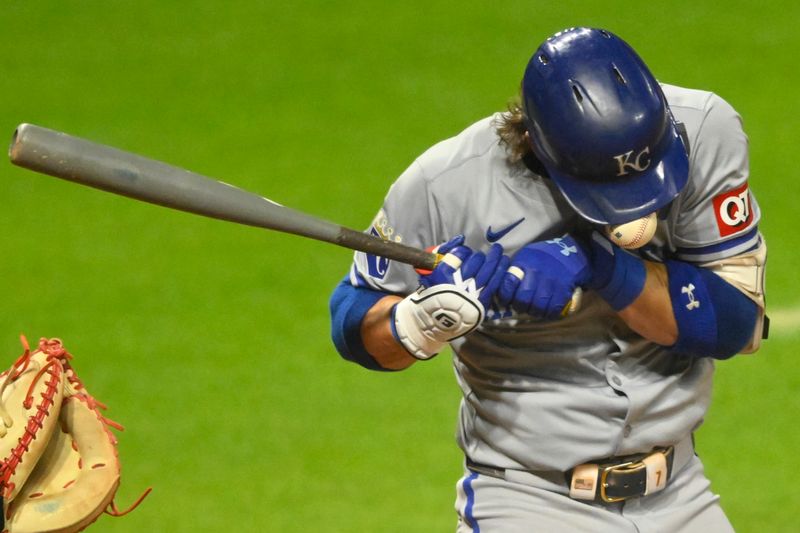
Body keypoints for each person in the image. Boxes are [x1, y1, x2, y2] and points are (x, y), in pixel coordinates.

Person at [329, 27, 767, 532]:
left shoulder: (706, 131)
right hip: (528, 502)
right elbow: (351, 323)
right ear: (538, 143)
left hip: (681, 494)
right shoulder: (445, 185)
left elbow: (733, 325)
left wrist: (599, 262)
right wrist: (424, 319)